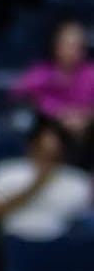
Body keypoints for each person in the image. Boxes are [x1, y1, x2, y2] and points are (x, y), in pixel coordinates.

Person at [0, 120, 90, 249]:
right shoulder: (5, 172)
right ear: (31, 146)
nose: (47, 159)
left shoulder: (79, 181)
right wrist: (34, 187)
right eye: (42, 151)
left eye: (53, 154)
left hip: (64, 249)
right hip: (11, 245)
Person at [11, 21, 94, 165]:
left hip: (88, 132)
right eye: (68, 44)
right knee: (48, 138)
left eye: (79, 45)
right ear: (55, 45)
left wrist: (85, 116)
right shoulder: (40, 73)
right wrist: (60, 114)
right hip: (51, 128)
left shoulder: (91, 73)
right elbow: (19, 100)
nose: (74, 50)